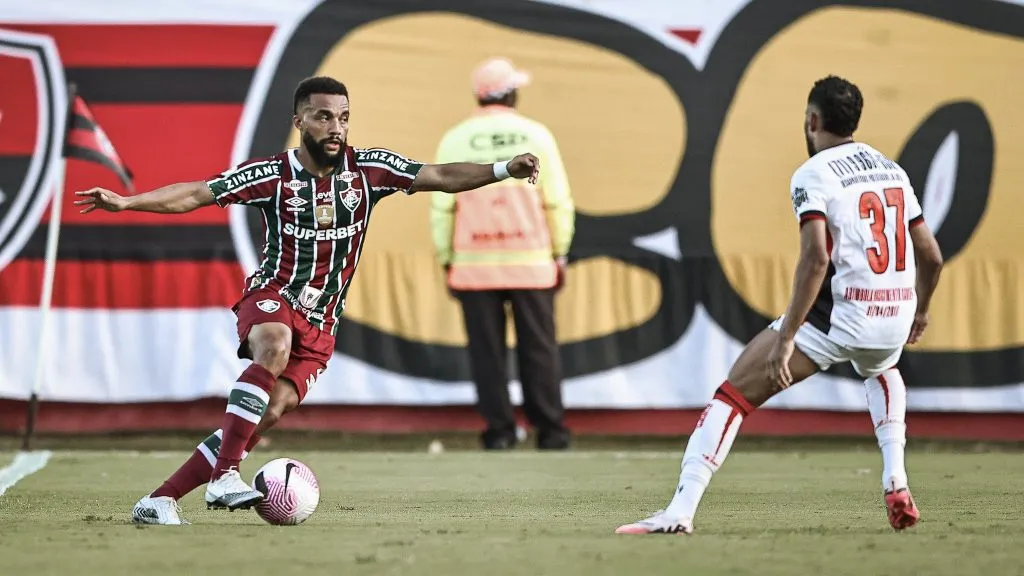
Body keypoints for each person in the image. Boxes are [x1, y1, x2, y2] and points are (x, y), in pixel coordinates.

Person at [74, 76, 542, 525]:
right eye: (323, 117)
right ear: (300, 120)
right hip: (274, 295)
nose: (335, 127)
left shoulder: (368, 171)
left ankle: (160, 500)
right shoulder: (273, 175)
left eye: (343, 117)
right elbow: (197, 192)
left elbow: (438, 174)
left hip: (323, 323)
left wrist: (503, 170)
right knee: (273, 346)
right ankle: (224, 476)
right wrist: (128, 203)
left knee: (269, 411)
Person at [615, 75, 944, 535]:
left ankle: (680, 511)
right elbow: (931, 254)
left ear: (812, 120)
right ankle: (896, 480)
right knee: (881, 369)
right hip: (894, 313)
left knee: (733, 394)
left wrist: (786, 337)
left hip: (840, 316)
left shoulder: (814, 173)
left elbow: (815, 258)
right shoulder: (890, 168)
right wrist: (921, 310)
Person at [430, 57, 575, 450]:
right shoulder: (536, 135)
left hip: (473, 267)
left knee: (487, 354)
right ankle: (551, 433)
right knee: (539, 351)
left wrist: (447, 257)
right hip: (531, 264)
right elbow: (557, 201)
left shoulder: (455, 138)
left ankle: (500, 433)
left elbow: (442, 206)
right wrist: (559, 253)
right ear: (511, 92)